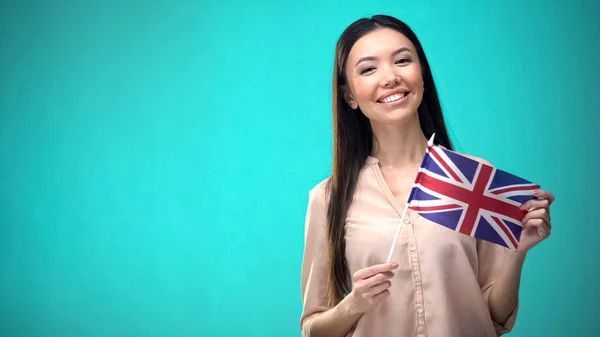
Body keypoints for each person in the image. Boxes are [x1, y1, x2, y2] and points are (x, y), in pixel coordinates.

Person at [299, 15, 554, 337]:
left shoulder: (472, 179)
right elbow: (313, 328)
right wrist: (354, 304)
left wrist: (517, 252)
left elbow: (493, 316)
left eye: (403, 61)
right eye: (368, 69)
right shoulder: (328, 198)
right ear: (349, 95)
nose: (390, 77)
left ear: (422, 75)